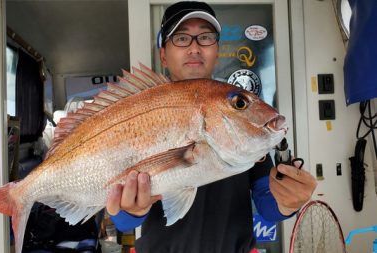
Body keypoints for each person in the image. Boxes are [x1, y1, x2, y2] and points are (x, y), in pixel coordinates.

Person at [106, 2, 317, 252]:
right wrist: (131, 210)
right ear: (164, 54)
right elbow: (122, 220)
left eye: (205, 38)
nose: (195, 47)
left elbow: (268, 203)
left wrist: (288, 200)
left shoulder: (239, 115)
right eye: (182, 38)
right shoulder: (135, 108)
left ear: (216, 50)